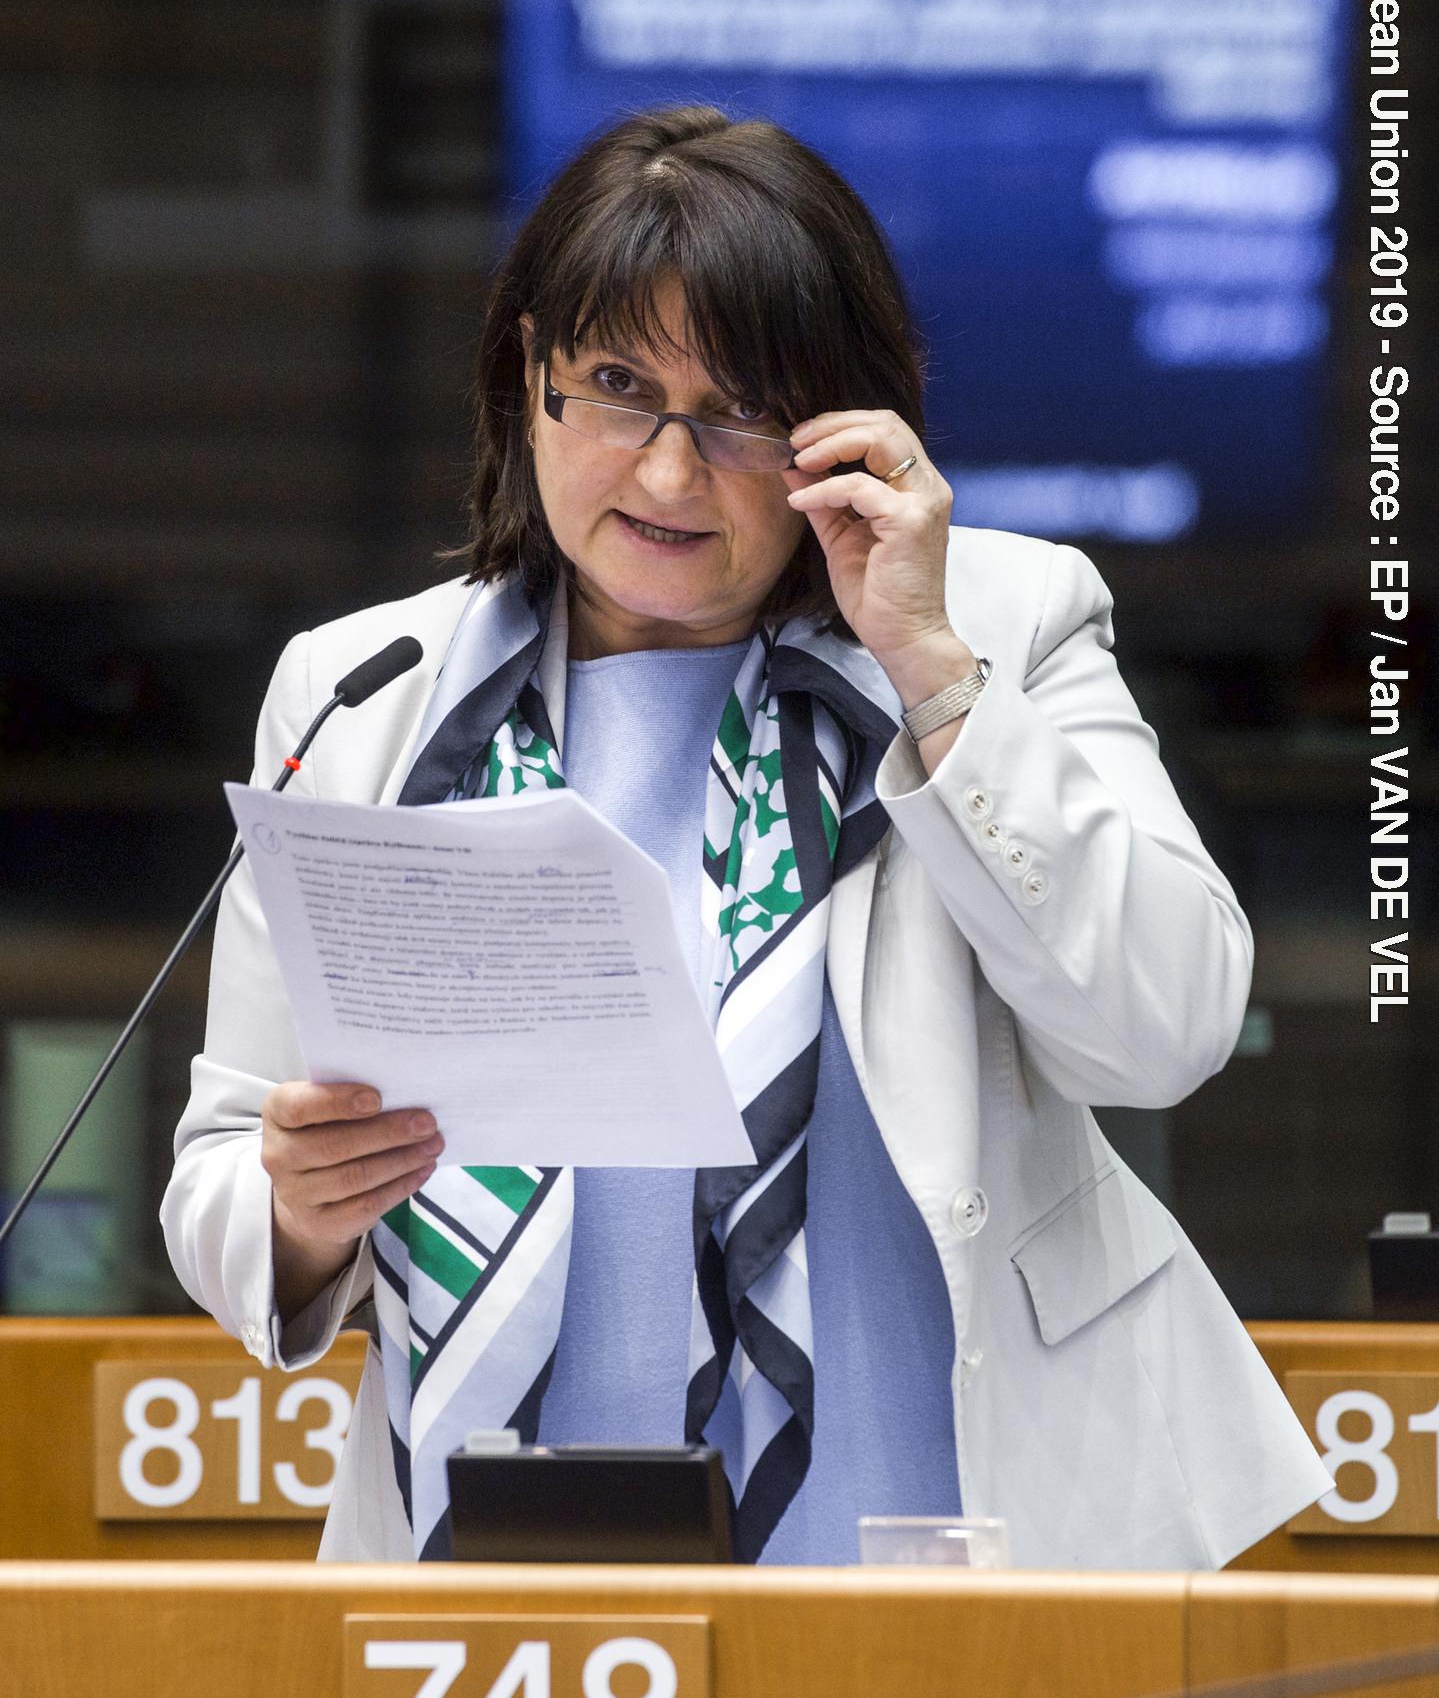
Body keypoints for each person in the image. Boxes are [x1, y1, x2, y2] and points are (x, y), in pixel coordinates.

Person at [161, 102, 1332, 1568]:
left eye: (737, 413)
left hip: (958, 1537)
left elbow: (1164, 1030)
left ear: (842, 432)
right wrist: (298, 1212)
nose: (665, 473)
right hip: (507, 1567)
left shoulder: (1004, 623)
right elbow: (223, 1177)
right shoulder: (366, 693)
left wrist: (927, 663)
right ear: (529, 380)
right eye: (613, 385)